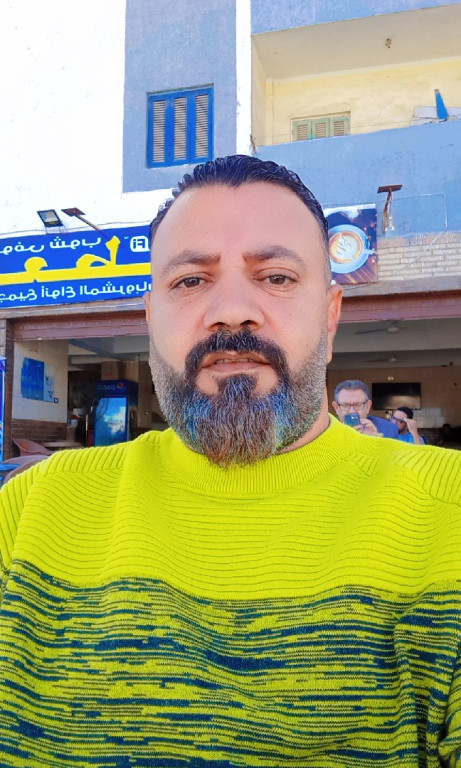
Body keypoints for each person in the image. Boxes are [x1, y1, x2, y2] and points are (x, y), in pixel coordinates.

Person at [0, 155, 460, 767]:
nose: (232, 310)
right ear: (150, 318)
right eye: (191, 281)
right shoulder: (32, 510)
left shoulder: (449, 514)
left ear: (330, 317)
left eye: (276, 276)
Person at [332, 378, 399, 438]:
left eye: (358, 405)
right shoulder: (326, 429)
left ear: (368, 406)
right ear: (336, 408)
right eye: (345, 405)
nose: (352, 411)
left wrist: (375, 439)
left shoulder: (389, 429)